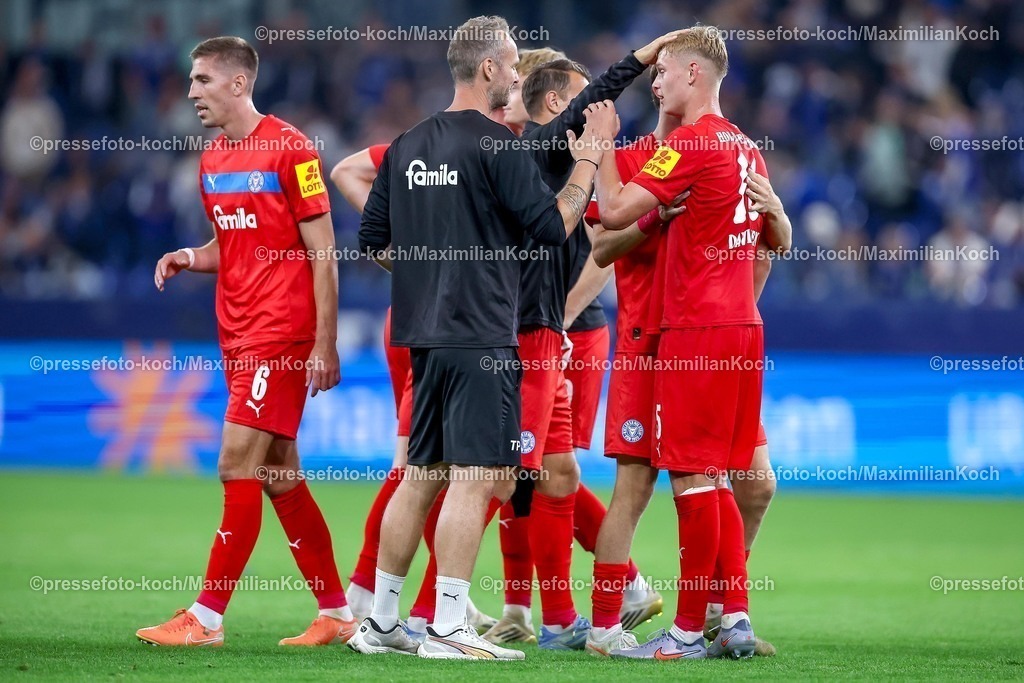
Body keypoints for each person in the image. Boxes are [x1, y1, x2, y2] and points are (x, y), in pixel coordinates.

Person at [349, 15, 616, 661]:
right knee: (478, 475)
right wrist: (585, 160)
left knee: (419, 474)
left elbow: (372, 240)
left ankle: (382, 622)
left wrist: (433, 272)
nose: (519, 74)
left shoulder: (410, 141)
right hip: (483, 336)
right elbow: (553, 227)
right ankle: (446, 626)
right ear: (489, 68)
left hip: (423, 334)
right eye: (513, 63)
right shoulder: (498, 145)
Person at [137, 36, 352, 647]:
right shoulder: (211, 160)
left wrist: (324, 343)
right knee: (280, 472)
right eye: (191, 80)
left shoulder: (292, 149)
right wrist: (188, 255)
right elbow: (229, 244)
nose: (191, 92)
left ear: (238, 83)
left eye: (202, 80)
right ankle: (336, 613)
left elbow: (325, 255)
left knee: (237, 462)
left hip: (280, 334)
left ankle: (205, 619)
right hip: (235, 335)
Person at [592, 26, 791, 660]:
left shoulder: (690, 145)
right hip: (741, 329)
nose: (656, 81)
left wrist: (597, 152)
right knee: (722, 480)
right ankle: (731, 619)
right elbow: (769, 246)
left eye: (664, 72)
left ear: (694, 76)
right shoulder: (747, 151)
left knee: (693, 481)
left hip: (693, 333)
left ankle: (681, 631)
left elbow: (617, 211)